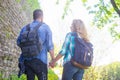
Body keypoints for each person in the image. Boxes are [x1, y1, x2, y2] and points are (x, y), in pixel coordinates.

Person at [17, 9, 54, 80]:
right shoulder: (45, 27)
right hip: (40, 61)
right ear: (42, 17)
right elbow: (50, 46)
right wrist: (53, 60)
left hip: (27, 61)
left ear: (33, 17)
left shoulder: (25, 28)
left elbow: (18, 42)